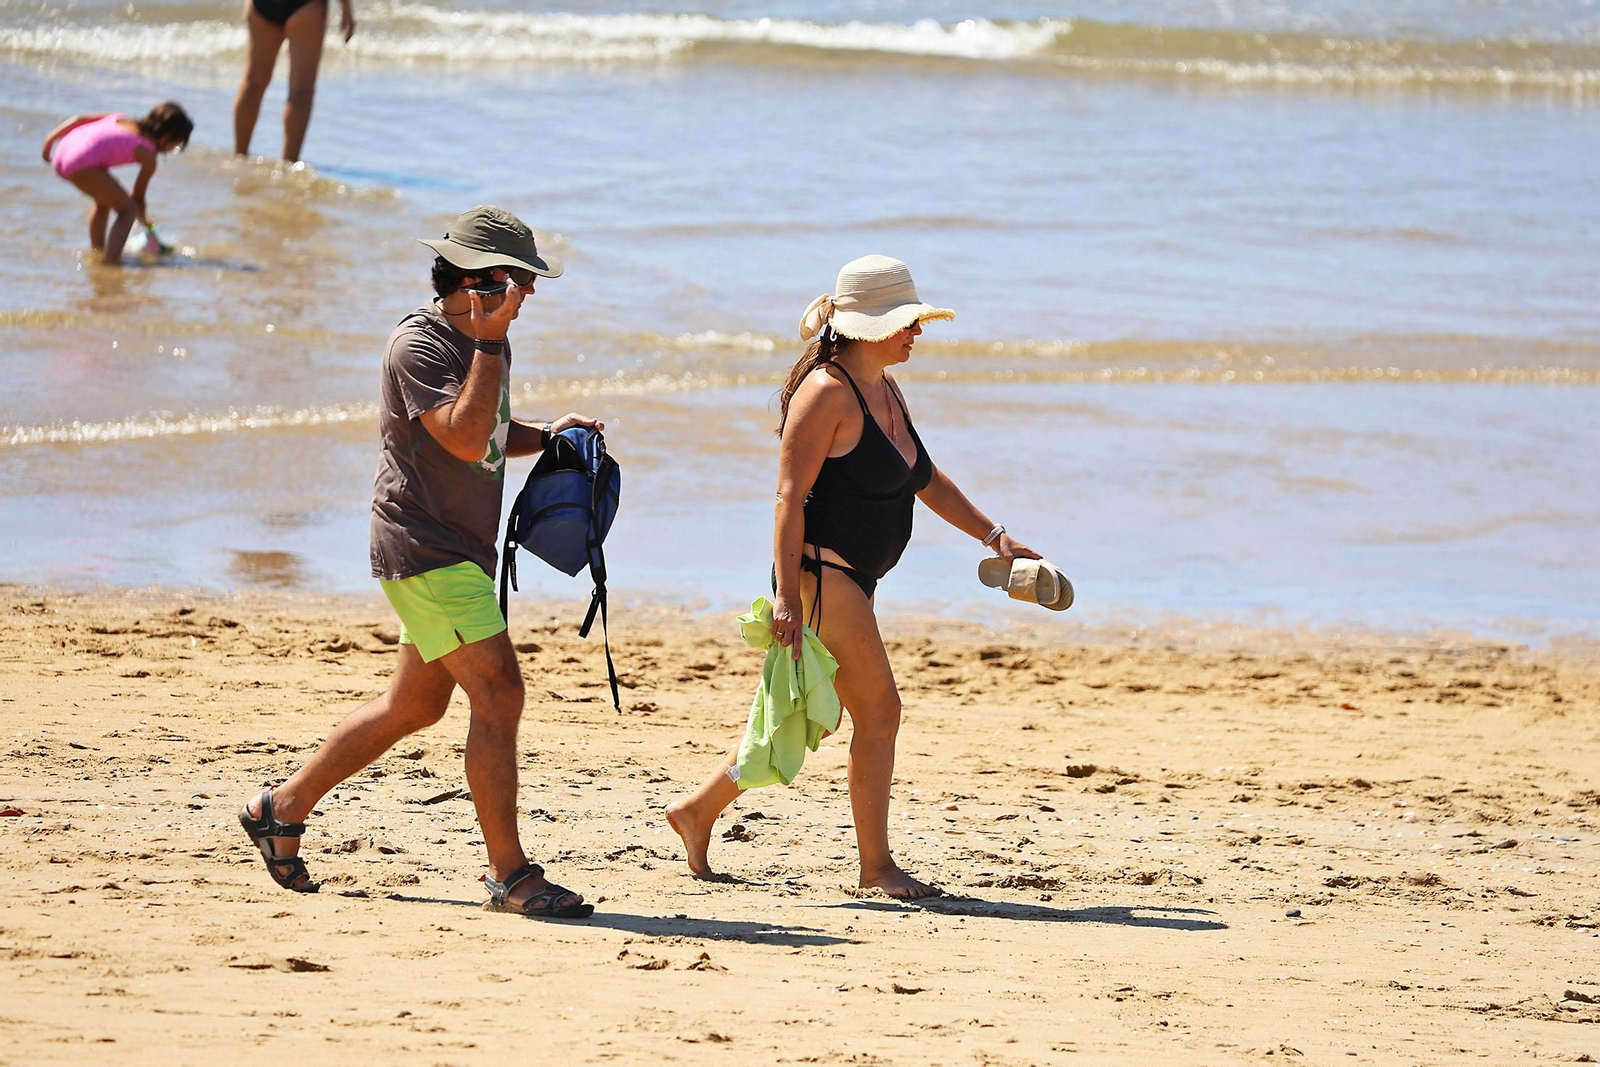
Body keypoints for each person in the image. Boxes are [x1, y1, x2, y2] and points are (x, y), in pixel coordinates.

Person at [239, 205, 604, 919]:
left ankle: (279, 808)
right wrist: (492, 346)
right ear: (478, 282)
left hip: (453, 547)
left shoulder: (484, 339)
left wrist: (548, 435)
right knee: (499, 693)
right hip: (424, 547)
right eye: (519, 281)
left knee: (413, 705)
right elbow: (465, 438)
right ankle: (512, 876)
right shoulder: (422, 346)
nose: (529, 294)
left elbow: (488, 429)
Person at [667, 255, 1045, 900]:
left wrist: (995, 537)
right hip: (822, 573)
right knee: (880, 712)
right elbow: (788, 499)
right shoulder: (825, 393)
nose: (916, 332)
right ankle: (877, 869)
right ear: (864, 326)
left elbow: (922, 477)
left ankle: (697, 811)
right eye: (906, 323)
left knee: (805, 711)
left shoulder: (885, 389)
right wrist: (787, 596)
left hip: (855, 577)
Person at [41, 103, 193, 265]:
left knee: (104, 201)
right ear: (167, 137)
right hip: (81, 164)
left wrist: (50, 140)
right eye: (176, 144)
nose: (172, 149)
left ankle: (97, 251)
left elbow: (80, 119)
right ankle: (111, 261)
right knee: (128, 210)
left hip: (62, 152)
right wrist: (145, 222)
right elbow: (137, 198)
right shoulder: (148, 154)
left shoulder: (120, 118)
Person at [233, 0, 355, 163]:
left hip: (262, 5)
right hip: (305, 6)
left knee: (253, 83)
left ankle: (239, 157)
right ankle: (288, 165)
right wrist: (346, 8)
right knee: (301, 90)